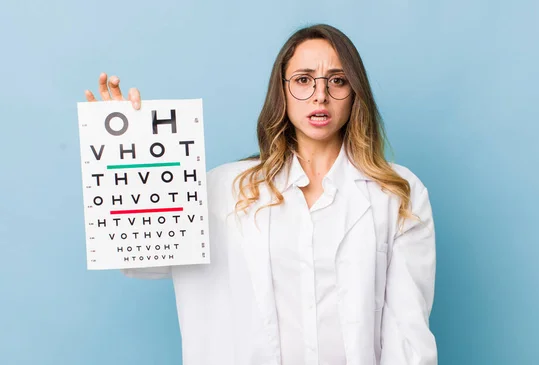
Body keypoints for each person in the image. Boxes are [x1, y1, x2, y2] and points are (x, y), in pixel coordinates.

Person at [84, 23, 437, 365]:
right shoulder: (223, 190)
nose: (320, 94)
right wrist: (131, 149)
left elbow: (409, 336)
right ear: (281, 91)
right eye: (303, 79)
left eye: (338, 80)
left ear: (355, 92)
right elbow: (142, 256)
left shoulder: (397, 194)